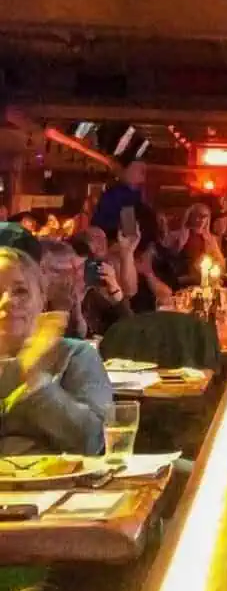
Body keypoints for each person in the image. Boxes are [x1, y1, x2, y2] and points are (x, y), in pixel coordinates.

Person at [0, 248, 111, 454]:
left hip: (60, 485)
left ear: (42, 299)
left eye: (21, 291)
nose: (8, 301)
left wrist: (36, 382)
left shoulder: (75, 355)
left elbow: (94, 441)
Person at [91, 159, 155, 245]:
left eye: (144, 171)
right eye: (141, 171)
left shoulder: (136, 195)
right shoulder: (118, 195)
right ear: (126, 171)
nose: (144, 175)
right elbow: (128, 228)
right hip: (117, 242)